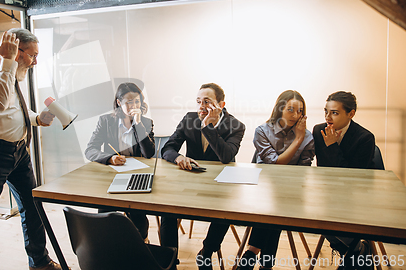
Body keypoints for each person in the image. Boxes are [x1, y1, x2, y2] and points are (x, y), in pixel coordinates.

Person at [0, 29, 66, 270]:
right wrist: (7, 63)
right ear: (17, 52)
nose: (35, 61)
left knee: (33, 206)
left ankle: (39, 262)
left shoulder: (14, 72)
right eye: (33, 55)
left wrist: (37, 119)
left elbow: (13, 109)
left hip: (18, 153)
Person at [161, 83, 246, 270]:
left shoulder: (236, 126)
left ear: (221, 105)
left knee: (227, 210)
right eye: (198, 101)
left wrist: (208, 126)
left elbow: (226, 157)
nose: (201, 107)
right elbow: (166, 148)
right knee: (167, 209)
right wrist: (178, 157)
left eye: (207, 102)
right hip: (191, 182)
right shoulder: (189, 119)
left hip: (220, 186)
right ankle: (169, 260)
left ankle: (206, 252)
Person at [238, 90, 314, 270]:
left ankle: (251, 252)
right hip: (263, 189)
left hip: (291, 193)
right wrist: (298, 140)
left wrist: (302, 137)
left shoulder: (308, 136)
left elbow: (304, 172)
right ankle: (266, 264)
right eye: (290, 109)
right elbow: (275, 165)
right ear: (279, 109)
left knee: (277, 206)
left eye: (300, 111)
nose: (296, 115)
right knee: (274, 208)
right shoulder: (262, 131)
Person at [85, 82, 155, 241]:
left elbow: (149, 154)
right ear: (118, 102)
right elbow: (90, 150)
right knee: (105, 214)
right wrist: (109, 158)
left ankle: (141, 243)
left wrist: (138, 124)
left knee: (138, 218)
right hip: (112, 175)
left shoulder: (145, 122)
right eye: (129, 102)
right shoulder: (106, 121)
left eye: (137, 101)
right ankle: (110, 246)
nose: (134, 106)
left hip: (138, 175)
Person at [313, 91, 375, 269]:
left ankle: (352, 254)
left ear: (351, 113)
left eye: (334, 112)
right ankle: (358, 250)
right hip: (328, 193)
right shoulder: (319, 130)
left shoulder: (365, 138)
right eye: (326, 111)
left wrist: (332, 146)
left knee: (328, 218)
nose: (328, 117)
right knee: (312, 215)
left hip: (356, 195)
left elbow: (352, 178)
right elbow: (323, 169)